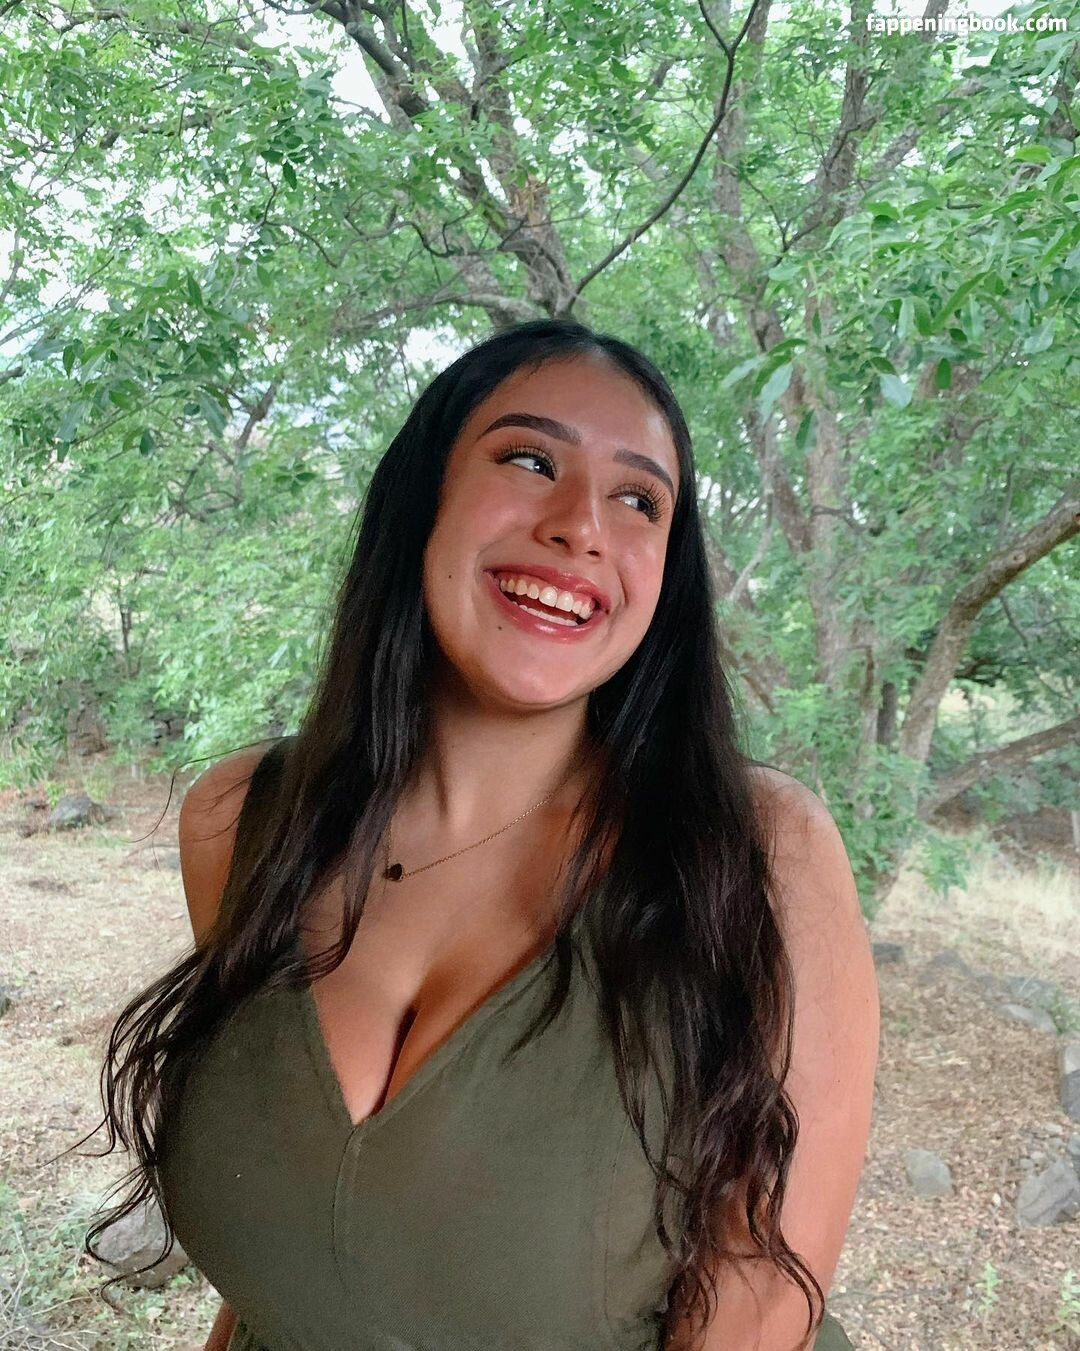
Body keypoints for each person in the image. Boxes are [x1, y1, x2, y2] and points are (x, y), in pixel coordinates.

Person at [81, 318, 877, 1350]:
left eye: (638, 499)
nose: (581, 525)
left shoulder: (760, 853)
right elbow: (297, 1270)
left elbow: (758, 1310)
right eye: (530, 460)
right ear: (425, 498)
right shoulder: (243, 820)